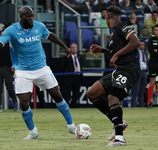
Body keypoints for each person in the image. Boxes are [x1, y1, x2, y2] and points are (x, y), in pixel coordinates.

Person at [0, 6, 75, 139]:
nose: (31, 19)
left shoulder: (39, 26)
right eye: (28, 17)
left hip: (41, 68)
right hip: (23, 71)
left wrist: (64, 47)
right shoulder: (12, 31)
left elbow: (50, 35)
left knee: (56, 94)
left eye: (32, 16)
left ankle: (71, 125)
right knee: (24, 102)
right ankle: (33, 132)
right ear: (21, 17)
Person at [86, 6, 141, 146]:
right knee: (92, 93)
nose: (105, 22)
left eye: (105, 19)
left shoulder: (120, 25)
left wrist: (116, 54)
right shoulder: (114, 33)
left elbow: (136, 42)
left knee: (113, 97)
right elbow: (117, 53)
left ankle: (120, 138)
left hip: (129, 69)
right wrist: (103, 50)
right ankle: (118, 123)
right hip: (119, 70)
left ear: (109, 17)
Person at [0, 28, 19, 112]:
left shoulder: (11, 45)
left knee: (9, 87)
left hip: (8, 68)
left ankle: (15, 103)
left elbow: (15, 56)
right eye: (1, 35)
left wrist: (14, 65)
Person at [59, 43, 84, 108]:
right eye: (72, 47)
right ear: (70, 49)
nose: (74, 49)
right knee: (67, 93)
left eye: (75, 47)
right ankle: (66, 107)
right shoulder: (66, 57)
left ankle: (74, 105)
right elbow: (61, 67)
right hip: (69, 78)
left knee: (76, 93)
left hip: (77, 77)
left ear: (77, 48)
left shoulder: (80, 57)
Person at [130, 40, 148, 107]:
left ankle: (141, 105)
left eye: (143, 44)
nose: (142, 46)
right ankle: (133, 105)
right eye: (140, 44)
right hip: (137, 72)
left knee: (142, 90)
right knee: (136, 90)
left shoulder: (146, 53)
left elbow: (147, 62)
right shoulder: (135, 52)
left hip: (144, 71)